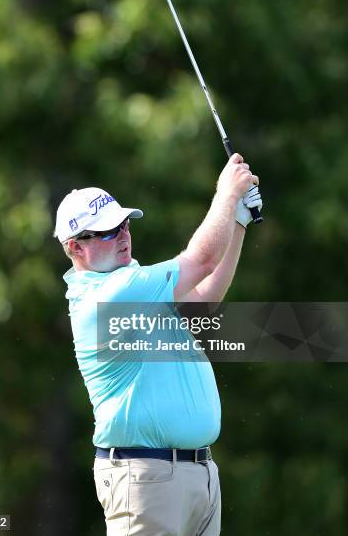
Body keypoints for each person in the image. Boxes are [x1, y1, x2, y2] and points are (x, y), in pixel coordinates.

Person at [54, 153, 262, 536]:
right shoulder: (110, 295)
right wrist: (226, 194)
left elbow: (202, 302)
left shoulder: (132, 281)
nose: (123, 235)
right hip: (145, 478)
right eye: (106, 231)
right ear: (75, 248)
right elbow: (200, 260)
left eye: (123, 225)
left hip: (197, 475)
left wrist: (238, 223)